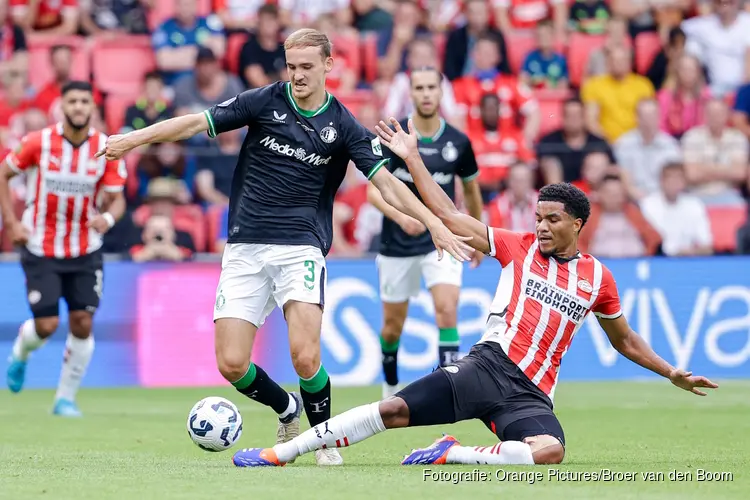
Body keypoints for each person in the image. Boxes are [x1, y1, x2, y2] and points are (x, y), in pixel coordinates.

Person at [230, 117, 718, 468]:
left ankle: (454, 453)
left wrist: (670, 371)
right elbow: (449, 217)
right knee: (394, 410)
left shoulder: (598, 278)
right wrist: (415, 160)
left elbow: (625, 340)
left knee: (550, 453)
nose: (542, 227)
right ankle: (281, 453)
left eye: (553, 220)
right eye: (539, 218)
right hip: (487, 368)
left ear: (577, 224)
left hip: (531, 396)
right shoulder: (518, 247)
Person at [95, 29, 473, 467]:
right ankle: (286, 408)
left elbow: (387, 183)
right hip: (245, 248)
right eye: (292, 67)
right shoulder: (263, 101)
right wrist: (131, 140)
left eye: (307, 67)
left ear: (329, 65)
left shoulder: (345, 126)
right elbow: (196, 122)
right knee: (232, 364)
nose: (298, 76)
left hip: (301, 248)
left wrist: (432, 223)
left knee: (305, 354)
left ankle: (324, 439)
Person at [0, 81, 127, 417]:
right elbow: (4, 172)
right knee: (46, 326)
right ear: (61, 106)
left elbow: (117, 201)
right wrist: (12, 224)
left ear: (92, 108)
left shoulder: (106, 148)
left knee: (82, 322)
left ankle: (64, 399)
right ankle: (21, 354)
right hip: (41, 245)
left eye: (85, 101)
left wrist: (109, 220)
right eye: (72, 101)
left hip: (85, 248)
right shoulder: (38, 142)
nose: (78, 107)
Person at [368, 67, 484, 399]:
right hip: (397, 244)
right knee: (392, 327)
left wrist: (476, 237)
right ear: (411, 94)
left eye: (432, 87)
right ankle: (390, 387)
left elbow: (472, 193)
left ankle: (451, 388)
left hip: (444, 239)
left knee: (447, 309)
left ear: (440, 91)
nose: (426, 94)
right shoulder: (393, 137)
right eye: (419, 88)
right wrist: (400, 216)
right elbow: (374, 191)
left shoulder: (458, 142)